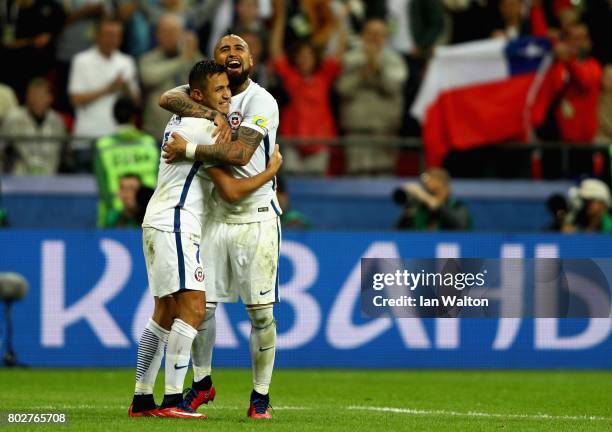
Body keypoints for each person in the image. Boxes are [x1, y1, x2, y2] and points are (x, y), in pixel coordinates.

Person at [130, 59, 283, 419]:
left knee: (164, 312)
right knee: (195, 308)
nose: (227, 96)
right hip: (176, 223)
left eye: (228, 89)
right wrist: (271, 172)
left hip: (159, 220)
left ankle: (141, 399)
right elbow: (231, 184)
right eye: (220, 91)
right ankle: (170, 401)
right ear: (198, 95)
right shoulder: (202, 128)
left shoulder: (185, 118)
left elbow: (169, 99)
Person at [269, 3, 346, 175]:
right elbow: (275, 51)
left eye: (308, 55)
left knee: (317, 188)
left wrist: (339, 23)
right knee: (291, 184)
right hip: (293, 143)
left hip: (319, 143)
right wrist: (280, 19)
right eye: (301, 55)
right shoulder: (290, 77)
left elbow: (338, 51)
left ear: (314, 58)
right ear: (295, 58)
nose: (304, 59)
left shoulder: (323, 77)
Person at [336, 18, 407, 175]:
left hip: (385, 131)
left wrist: (377, 68)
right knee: (356, 179)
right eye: (371, 33)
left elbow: (393, 87)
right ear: (363, 35)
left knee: (384, 177)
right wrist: (362, 74)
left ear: (386, 36)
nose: (375, 37)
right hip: (357, 130)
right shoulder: (349, 59)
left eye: (379, 33)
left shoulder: (395, 60)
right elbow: (342, 89)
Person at [68, 18, 140, 142]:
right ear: (97, 36)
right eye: (108, 35)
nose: (112, 40)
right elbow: (75, 99)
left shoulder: (127, 62)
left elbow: (136, 102)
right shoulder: (81, 60)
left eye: (116, 36)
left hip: (119, 137)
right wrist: (108, 89)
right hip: (88, 135)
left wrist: (125, 87)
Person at [93, 97, 158, 228]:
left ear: (114, 116)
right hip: (148, 216)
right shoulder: (150, 143)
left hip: (113, 219)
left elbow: (103, 187)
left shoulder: (102, 146)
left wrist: (116, 207)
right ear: (134, 117)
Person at [140, 14, 201, 140]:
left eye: (174, 32)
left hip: (187, 133)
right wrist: (182, 60)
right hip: (156, 132)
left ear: (182, 34)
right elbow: (149, 78)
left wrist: (194, 52)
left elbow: (206, 80)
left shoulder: (192, 58)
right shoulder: (148, 59)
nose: (170, 36)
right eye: (165, 32)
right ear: (157, 35)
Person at [1, 78, 66, 175]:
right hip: (18, 179)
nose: (36, 99)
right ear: (27, 96)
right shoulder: (13, 118)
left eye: (41, 95)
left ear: (50, 98)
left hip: (50, 179)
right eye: (33, 95)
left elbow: (64, 153)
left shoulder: (57, 121)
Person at [394, 168, 471, 230]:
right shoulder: (421, 209)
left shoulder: (456, 206)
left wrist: (436, 205)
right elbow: (399, 236)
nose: (430, 195)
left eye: (435, 191)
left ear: (448, 190)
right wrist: (409, 211)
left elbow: (461, 227)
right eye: (427, 191)